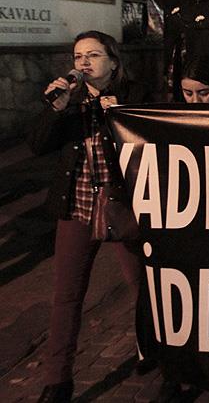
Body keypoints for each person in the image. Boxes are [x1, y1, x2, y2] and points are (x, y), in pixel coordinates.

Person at [29, 31, 152, 403]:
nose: (83, 62)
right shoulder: (70, 100)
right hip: (77, 207)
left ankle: (155, 356)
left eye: (93, 55)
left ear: (113, 61)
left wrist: (119, 114)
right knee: (67, 296)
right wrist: (55, 109)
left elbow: (153, 145)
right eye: (78, 56)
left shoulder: (136, 94)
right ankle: (57, 380)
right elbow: (37, 145)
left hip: (123, 206)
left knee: (143, 287)